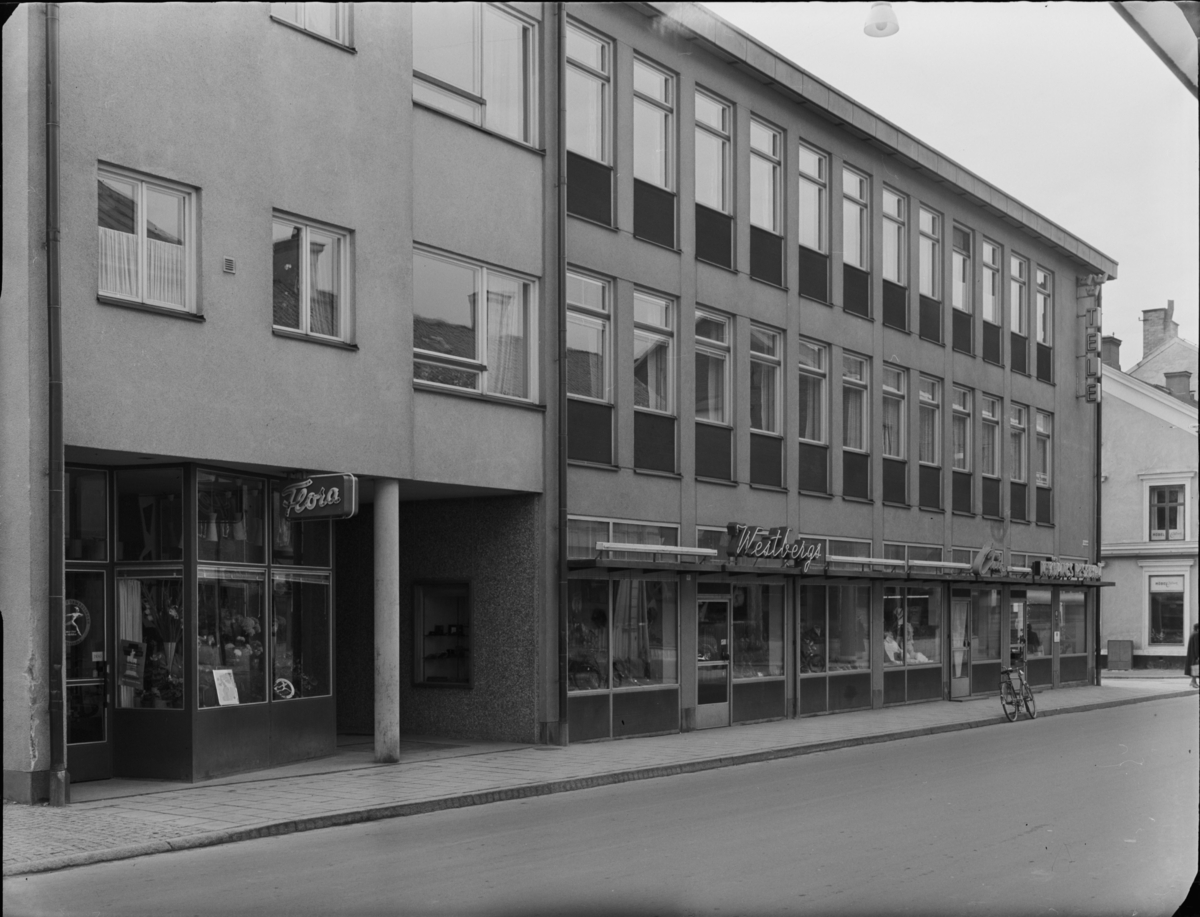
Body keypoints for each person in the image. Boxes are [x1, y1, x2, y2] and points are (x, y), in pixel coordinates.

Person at [1186, 622, 1199, 689]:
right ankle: (1193, 682)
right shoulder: (1196, 634)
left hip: (1192, 654)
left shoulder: (1192, 633)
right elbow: (1197, 646)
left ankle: (1193, 682)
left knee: (1195, 668)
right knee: (1195, 668)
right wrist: (1198, 656)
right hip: (1195, 655)